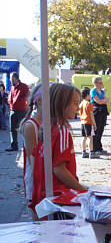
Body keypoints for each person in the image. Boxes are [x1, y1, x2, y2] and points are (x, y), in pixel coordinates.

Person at [30, 84, 87, 213]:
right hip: (57, 199)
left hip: (43, 196)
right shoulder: (61, 131)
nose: (78, 108)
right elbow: (59, 169)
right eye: (75, 103)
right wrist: (82, 190)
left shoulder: (47, 128)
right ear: (62, 104)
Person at [20, 84, 42, 210]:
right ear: (39, 101)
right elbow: (33, 160)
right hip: (36, 181)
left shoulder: (50, 123)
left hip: (46, 180)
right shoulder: (31, 126)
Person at [6, 72, 30, 151]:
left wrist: (23, 103)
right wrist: (10, 101)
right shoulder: (12, 87)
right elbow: (11, 97)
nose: (10, 80)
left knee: (23, 128)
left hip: (21, 110)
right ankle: (14, 146)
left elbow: (28, 96)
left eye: (11, 78)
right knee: (12, 129)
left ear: (16, 78)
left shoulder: (24, 86)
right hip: (13, 110)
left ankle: (27, 145)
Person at [90, 76, 109, 154]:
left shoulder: (102, 91)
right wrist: (103, 101)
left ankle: (99, 147)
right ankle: (94, 148)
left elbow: (106, 100)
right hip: (97, 112)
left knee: (101, 129)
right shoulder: (93, 91)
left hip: (103, 112)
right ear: (96, 83)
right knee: (96, 129)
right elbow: (98, 101)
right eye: (100, 82)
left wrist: (103, 101)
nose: (102, 84)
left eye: (102, 82)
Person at [79, 87, 98, 159]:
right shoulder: (89, 104)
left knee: (84, 138)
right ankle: (91, 152)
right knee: (90, 138)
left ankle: (83, 152)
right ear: (87, 95)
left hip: (82, 122)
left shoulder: (81, 103)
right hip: (88, 122)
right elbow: (91, 114)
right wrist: (94, 123)